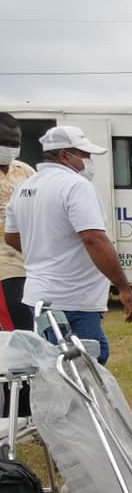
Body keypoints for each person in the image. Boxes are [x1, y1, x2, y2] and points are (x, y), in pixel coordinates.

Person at [4, 126, 132, 363]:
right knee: (83, 366)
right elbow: (93, 238)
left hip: (38, 295)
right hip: (72, 298)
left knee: (57, 364)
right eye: (85, 155)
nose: (89, 161)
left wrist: (44, 249)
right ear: (64, 155)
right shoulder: (75, 186)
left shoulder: (25, 187)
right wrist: (124, 288)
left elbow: (11, 237)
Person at [0, 113, 35, 331]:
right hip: (4, 267)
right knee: (17, 328)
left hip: (28, 263)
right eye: (4, 142)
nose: (10, 148)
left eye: (15, 144)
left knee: (30, 326)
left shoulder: (26, 171)